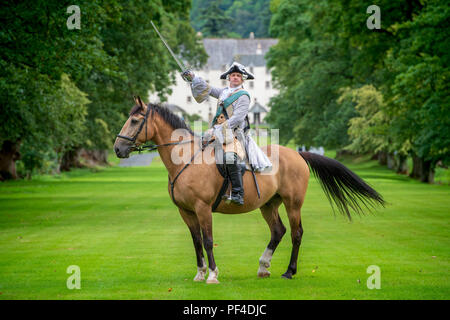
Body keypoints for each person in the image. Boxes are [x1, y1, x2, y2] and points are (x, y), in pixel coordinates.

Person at [182, 62, 271, 205]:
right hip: (218, 134)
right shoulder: (224, 92)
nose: (235, 77)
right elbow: (208, 89)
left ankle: (238, 193)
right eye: (233, 75)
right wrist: (193, 77)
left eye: (238, 76)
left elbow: (237, 119)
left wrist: (217, 129)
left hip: (235, 136)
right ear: (229, 77)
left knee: (229, 157)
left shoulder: (243, 96)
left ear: (242, 79)